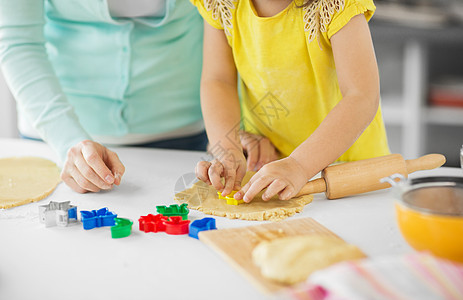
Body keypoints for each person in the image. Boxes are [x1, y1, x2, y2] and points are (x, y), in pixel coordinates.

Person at [0, 0, 251, 193]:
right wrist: (67, 140)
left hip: (185, 134)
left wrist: (240, 127)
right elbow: (18, 42)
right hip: (54, 136)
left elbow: (232, 27)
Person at [193, 0, 390, 202]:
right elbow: (219, 81)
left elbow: (361, 97)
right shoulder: (223, 3)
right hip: (272, 172)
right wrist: (228, 150)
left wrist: (299, 165)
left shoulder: (337, 4)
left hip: (349, 175)